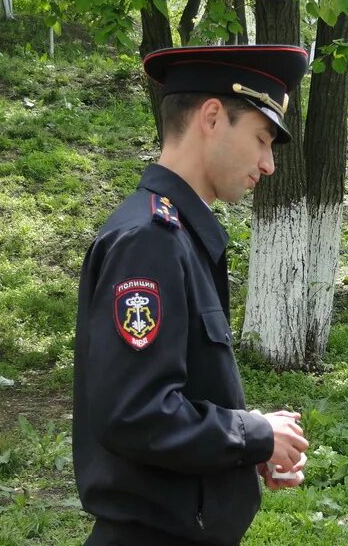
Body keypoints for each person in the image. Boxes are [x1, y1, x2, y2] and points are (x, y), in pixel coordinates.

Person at [72, 45, 311, 546]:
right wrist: (253, 433)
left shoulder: (176, 234)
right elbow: (136, 413)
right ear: (211, 117)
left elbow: (178, 395)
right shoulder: (149, 241)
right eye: (262, 139)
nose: (268, 164)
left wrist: (251, 447)